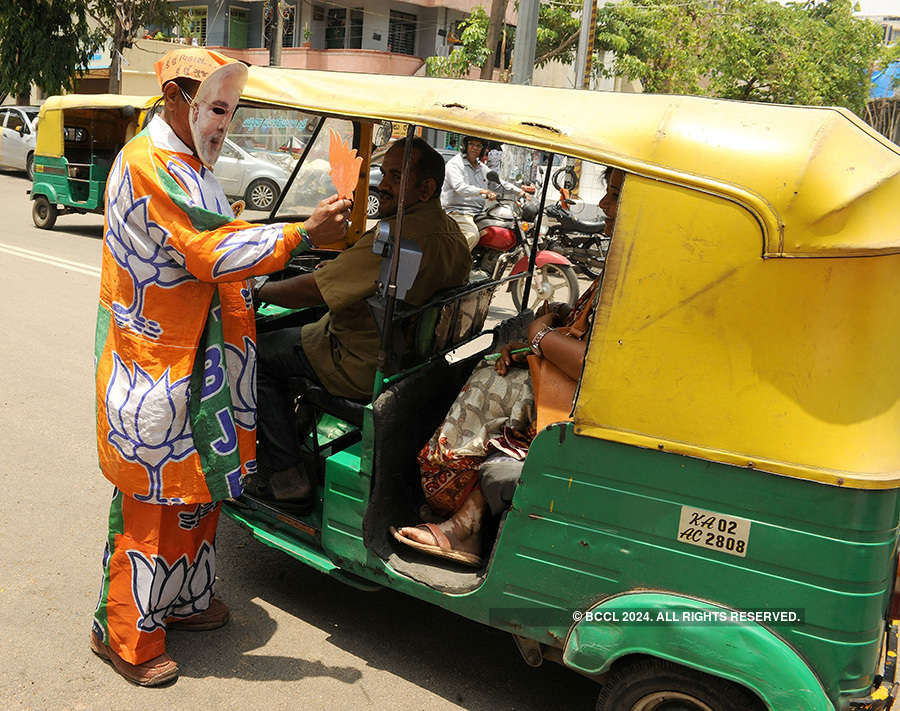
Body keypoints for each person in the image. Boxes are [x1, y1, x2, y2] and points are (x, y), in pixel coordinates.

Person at [90, 48, 352, 687]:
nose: (223, 126)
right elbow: (208, 251)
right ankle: (124, 633)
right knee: (151, 502)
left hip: (202, 364)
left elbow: (223, 240)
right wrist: (297, 236)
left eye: (229, 112)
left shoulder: (192, 164)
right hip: (159, 365)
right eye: (216, 109)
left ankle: (183, 601)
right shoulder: (150, 164)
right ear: (175, 97)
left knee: (197, 490)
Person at [392, 168, 625, 567]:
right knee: (492, 365)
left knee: (490, 379)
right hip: (566, 383)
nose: (603, 203)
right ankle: (464, 520)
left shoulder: (638, 276)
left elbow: (594, 363)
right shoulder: (622, 263)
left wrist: (539, 337)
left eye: (616, 195)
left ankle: (460, 518)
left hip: (584, 406)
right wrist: (553, 330)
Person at [250, 137, 471, 511]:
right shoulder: (452, 234)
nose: (383, 185)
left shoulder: (403, 234)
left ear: (426, 188)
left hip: (356, 360)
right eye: (385, 174)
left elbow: (312, 292)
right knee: (285, 335)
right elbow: (375, 280)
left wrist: (259, 289)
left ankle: (286, 477)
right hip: (408, 357)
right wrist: (334, 274)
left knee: (254, 358)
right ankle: (289, 439)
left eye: (396, 176)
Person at [441, 135, 533, 250]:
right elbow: (460, 187)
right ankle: (453, 265)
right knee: (471, 235)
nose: (475, 148)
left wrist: (520, 192)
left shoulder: (482, 168)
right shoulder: (455, 164)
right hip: (457, 212)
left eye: (479, 145)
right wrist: (482, 191)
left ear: (483, 149)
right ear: (465, 145)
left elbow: (498, 184)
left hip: (478, 212)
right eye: (471, 144)